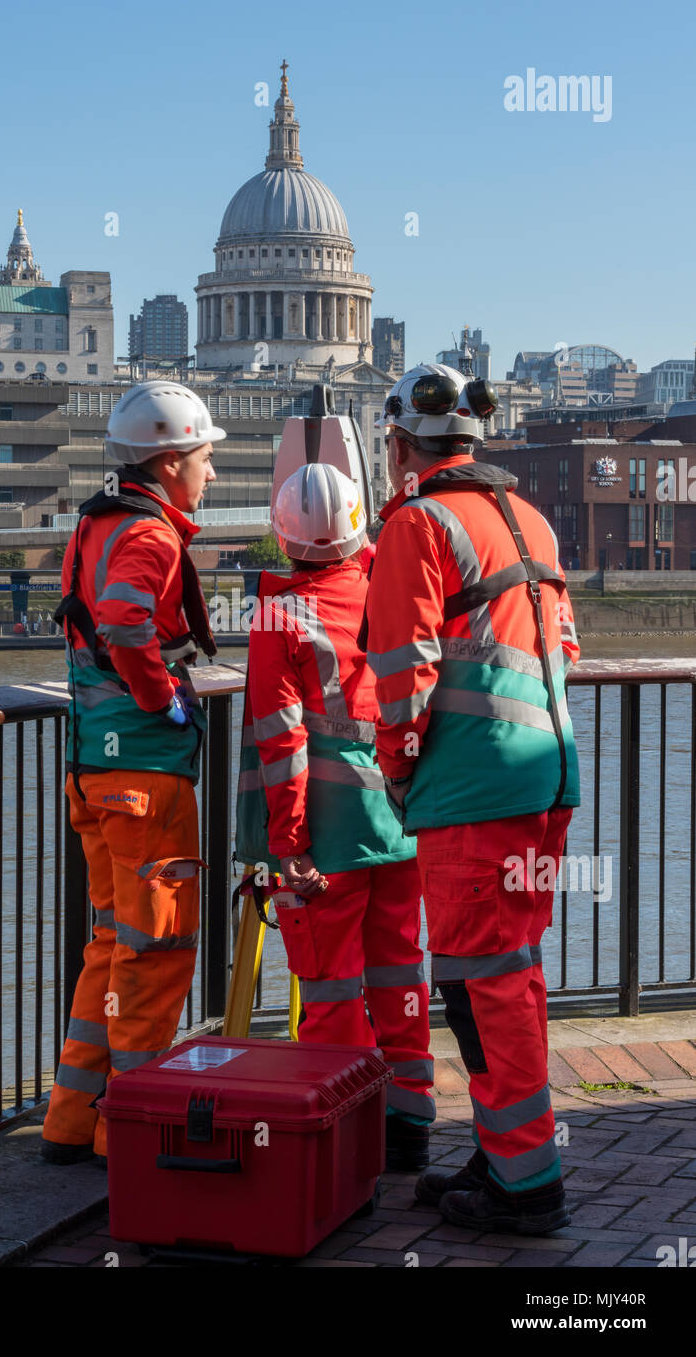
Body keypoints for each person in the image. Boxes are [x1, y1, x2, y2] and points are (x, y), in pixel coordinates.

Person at [365, 363, 581, 1234]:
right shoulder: (527, 519)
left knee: (481, 985)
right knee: (509, 974)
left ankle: (525, 1183)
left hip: (471, 789)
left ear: (397, 447)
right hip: (545, 777)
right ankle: (502, 1151)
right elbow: (558, 644)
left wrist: (396, 769)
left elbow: (400, 670)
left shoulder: (417, 521)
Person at [41, 381, 225, 1165]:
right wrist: (160, 700)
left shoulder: (98, 523)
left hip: (94, 767)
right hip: (144, 771)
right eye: (207, 457)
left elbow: (97, 620)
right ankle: (132, 1133)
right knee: (156, 949)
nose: (212, 473)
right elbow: (123, 621)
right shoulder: (149, 537)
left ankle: (71, 1119)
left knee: (112, 942)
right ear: (173, 457)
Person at [235, 463, 434, 1170]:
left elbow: (280, 740)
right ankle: (410, 1123)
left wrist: (288, 844)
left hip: (325, 837)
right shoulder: (392, 585)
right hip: (403, 818)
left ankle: (345, 1141)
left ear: (280, 535)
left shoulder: (279, 613)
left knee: (330, 991)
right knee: (399, 973)